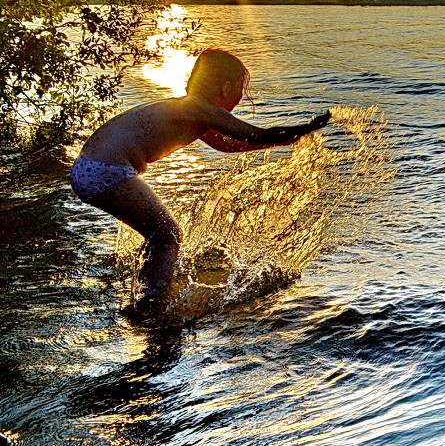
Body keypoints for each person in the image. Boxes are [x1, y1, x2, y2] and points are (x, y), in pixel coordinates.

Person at [69, 48, 331, 321]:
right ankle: (151, 304)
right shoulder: (199, 109)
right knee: (168, 236)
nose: (242, 97)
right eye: (241, 89)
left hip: (88, 169)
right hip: (108, 170)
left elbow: (228, 145)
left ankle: (145, 284)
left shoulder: (190, 110)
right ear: (226, 87)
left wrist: (283, 141)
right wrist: (305, 129)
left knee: (158, 235)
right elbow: (254, 134)